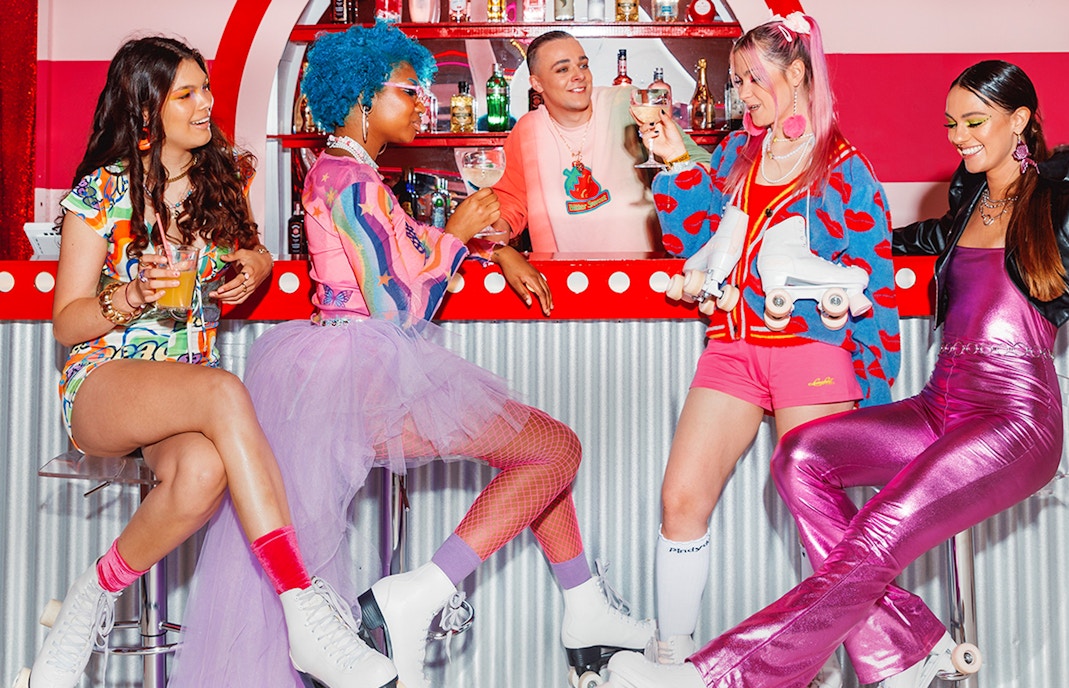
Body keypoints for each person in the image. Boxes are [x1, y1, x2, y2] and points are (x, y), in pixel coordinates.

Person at [170, 21, 654, 688]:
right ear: (363, 98)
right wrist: (457, 238)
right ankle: (421, 593)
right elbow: (399, 307)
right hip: (367, 373)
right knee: (555, 450)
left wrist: (494, 245)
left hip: (356, 367)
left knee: (538, 452)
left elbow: (415, 243)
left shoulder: (351, 172)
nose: (422, 103)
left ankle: (584, 603)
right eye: (409, 90)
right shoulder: (352, 183)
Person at [605, 58, 1068, 688]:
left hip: (1012, 418)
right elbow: (890, 239)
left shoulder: (1057, 203)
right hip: (941, 405)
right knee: (799, 458)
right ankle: (905, 651)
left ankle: (715, 675)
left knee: (877, 531)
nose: (959, 136)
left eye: (975, 122)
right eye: (951, 123)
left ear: (1019, 120)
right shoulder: (968, 203)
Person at [32, 36, 386, 688]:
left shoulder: (222, 178)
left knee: (200, 472)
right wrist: (130, 295)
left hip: (180, 391)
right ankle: (301, 607)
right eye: (187, 94)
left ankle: (91, 597)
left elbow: (253, 258)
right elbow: (66, 320)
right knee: (224, 392)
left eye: (207, 89)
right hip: (104, 384)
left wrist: (250, 268)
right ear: (146, 110)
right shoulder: (102, 193)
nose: (206, 104)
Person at [621, 12, 900, 683]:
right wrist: (673, 159)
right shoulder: (733, 157)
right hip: (731, 350)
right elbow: (692, 246)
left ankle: (855, 660)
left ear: (798, 72)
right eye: (738, 78)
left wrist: (879, 395)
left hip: (812, 352)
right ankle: (673, 659)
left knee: (824, 522)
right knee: (680, 500)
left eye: (754, 76)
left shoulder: (844, 168)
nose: (741, 91)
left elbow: (878, 288)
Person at [489, 30, 710, 257]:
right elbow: (509, 202)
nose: (579, 75)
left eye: (583, 65)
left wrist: (673, 161)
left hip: (642, 273)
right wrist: (495, 240)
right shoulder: (528, 129)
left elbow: (700, 162)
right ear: (537, 83)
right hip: (561, 276)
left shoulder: (625, 104)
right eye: (563, 69)